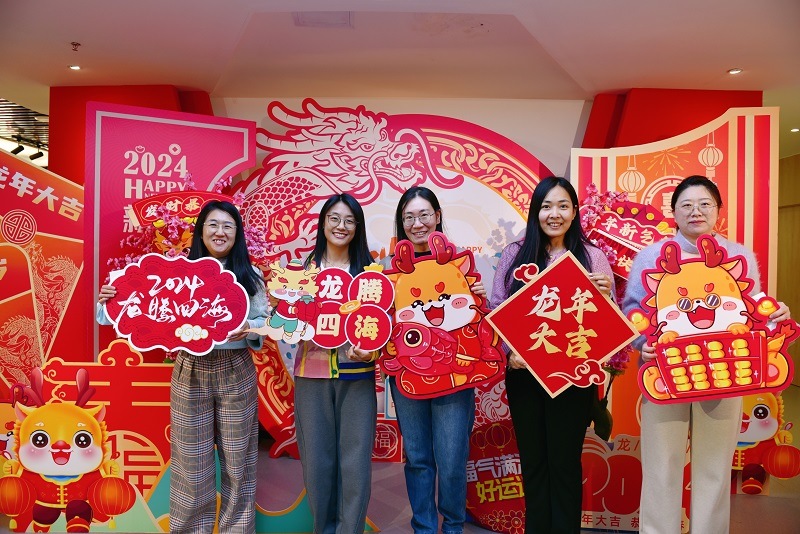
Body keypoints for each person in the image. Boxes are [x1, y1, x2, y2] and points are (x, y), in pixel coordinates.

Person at [622, 175, 791, 534]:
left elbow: (752, 311)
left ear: (717, 211)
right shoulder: (651, 257)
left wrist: (774, 315)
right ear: (674, 212)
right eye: (686, 205)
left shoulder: (738, 256)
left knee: (715, 467)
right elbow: (632, 309)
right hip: (665, 374)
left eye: (704, 204)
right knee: (661, 465)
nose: (695, 211)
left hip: (725, 374)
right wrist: (642, 342)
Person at [98, 200, 268, 533]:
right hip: (191, 367)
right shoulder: (175, 273)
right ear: (200, 232)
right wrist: (108, 301)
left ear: (237, 234)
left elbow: (265, 321)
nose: (220, 232)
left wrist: (251, 327)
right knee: (191, 463)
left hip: (236, 367)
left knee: (239, 462)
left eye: (228, 226)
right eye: (213, 225)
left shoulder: (250, 276)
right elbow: (125, 312)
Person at [489, 176, 614, 533]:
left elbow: (610, 324)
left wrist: (606, 295)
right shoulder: (515, 254)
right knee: (533, 463)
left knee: (564, 463)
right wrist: (509, 352)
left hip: (573, 379)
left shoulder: (592, 256)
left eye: (562, 206)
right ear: (535, 212)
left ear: (574, 212)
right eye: (546, 206)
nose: (554, 214)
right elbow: (496, 308)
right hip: (524, 375)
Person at [382, 186, 485, 534]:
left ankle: (453, 526)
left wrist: (477, 297)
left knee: (452, 459)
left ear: (437, 216)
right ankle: (424, 528)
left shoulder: (459, 264)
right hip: (408, 374)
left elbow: (474, 318)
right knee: (418, 457)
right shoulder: (389, 270)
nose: (417, 223)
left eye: (424, 214)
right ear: (402, 223)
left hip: (455, 373)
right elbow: (383, 324)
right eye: (409, 217)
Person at [294, 193, 378, 534]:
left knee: (355, 461)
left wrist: (370, 351)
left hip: (356, 375)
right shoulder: (302, 272)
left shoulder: (371, 274)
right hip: (311, 374)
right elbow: (286, 322)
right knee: (316, 459)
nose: (341, 226)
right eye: (334, 218)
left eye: (349, 220)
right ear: (323, 223)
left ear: (357, 227)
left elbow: (383, 327)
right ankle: (323, 528)